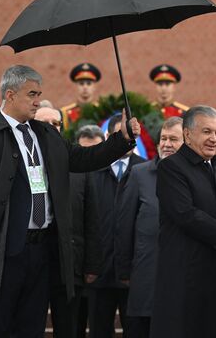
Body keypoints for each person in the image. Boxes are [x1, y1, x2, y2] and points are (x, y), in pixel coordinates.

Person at [0, 65, 140, 338]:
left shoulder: (46, 133)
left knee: (32, 326)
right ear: (10, 95)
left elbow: (83, 158)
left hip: (43, 249)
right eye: (31, 94)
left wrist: (121, 139)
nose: (37, 100)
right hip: (5, 250)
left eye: (39, 94)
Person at [149, 105, 216, 338]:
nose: (214, 138)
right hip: (184, 279)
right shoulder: (171, 167)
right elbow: (186, 215)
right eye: (207, 132)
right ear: (188, 134)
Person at [34, 107, 102, 338]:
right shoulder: (20, 163)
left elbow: (91, 219)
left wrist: (91, 265)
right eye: (45, 123)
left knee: (69, 328)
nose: (52, 128)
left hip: (69, 266)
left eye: (56, 124)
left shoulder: (78, 168)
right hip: (31, 264)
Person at [116, 116, 184, 338]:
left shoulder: (199, 176)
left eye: (173, 139)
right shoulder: (140, 174)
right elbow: (125, 225)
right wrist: (124, 270)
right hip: (146, 279)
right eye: (163, 139)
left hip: (184, 282)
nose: (166, 144)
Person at [87, 114, 146, 338]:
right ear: (109, 137)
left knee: (136, 330)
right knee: (99, 330)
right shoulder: (91, 170)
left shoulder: (145, 170)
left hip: (133, 272)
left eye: (133, 136)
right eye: (124, 135)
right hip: (98, 272)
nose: (130, 140)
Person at [61, 63, 101, 130]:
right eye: (81, 84)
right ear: (76, 86)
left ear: (94, 87)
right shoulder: (65, 113)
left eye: (89, 84)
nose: (85, 87)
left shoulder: (101, 111)